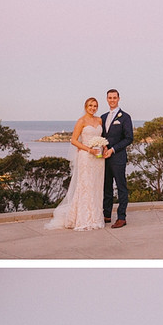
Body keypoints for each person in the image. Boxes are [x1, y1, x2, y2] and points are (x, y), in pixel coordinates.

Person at [46, 97, 108, 231]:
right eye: (90, 105)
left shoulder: (99, 120)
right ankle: (83, 219)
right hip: (86, 157)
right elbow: (73, 140)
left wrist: (104, 147)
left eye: (95, 106)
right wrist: (89, 149)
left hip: (98, 159)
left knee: (96, 187)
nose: (93, 108)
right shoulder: (81, 121)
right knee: (85, 186)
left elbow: (103, 138)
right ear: (86, 106)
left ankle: (96, 218)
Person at [101, 88, 132, 228]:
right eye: (110, 98)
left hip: (118, 158)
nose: (112, 100)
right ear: (107, 99)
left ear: (119, 98)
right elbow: (101, 137)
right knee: (106, 187)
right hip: (103, 158)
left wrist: (113, 150)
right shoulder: (102, 117)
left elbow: (129, 138)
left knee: (121, 188)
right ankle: (106, 215)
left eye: (114, 97)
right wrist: (103, 148)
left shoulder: (125, 117)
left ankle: (121, 217)